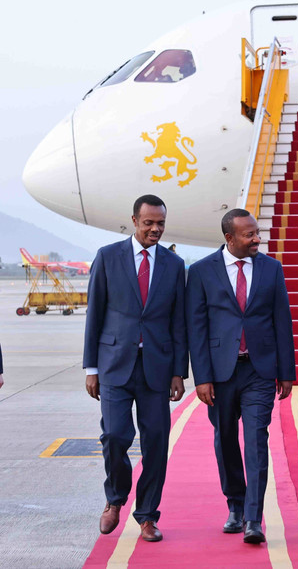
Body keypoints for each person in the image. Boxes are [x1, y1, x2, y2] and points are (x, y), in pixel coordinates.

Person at [186, 208, 296, 544]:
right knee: (225, 439)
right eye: (249, 235)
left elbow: (282, 321)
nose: (257, 239)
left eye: (257, 232)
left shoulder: (271, 268)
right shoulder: (201, 271)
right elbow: (196, 328)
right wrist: (201, 377)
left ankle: (252, 518)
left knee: (256, 439)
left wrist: (286, 372)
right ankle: (234, 503)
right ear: (229, 238)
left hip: (259, 370)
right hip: (220, 373)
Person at [83, 194, 187, 543]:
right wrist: (91, 368)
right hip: (114, 365)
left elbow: (178, 321)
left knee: (156, 441)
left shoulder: (174, 264)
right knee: (115, 436)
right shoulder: (108, 257)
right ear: (134, 221)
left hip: (157, 367)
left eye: (160, 224)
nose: (155, 229)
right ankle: (115, 499)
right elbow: (95, 314)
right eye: (148, 223)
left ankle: (147, 515)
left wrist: (179, 371)